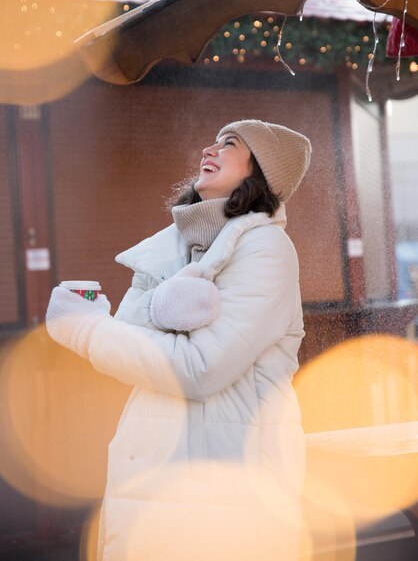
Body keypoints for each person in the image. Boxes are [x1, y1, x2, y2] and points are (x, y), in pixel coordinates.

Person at [46, 119, 312, 561]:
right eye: (214, 140)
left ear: (261, 171)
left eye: (229, 144)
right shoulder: (182, 246)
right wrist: (104, 319)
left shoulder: (266, 250)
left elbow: (199, 369)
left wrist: (88, 328)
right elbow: (133, 339)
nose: (210, 149)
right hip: (158, 477)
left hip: (225, 487)